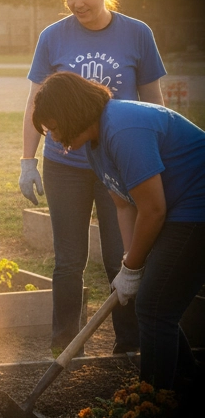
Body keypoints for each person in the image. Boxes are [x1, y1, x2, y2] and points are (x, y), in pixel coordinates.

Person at [20, 0, 166, 356]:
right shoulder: (53, 36)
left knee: (122, 255)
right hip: (65, 164)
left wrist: (156, 158)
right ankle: (65, 346)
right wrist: (27, 161)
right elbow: (36, 102)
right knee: (68, 260)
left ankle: (130, 343)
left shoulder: (137, 34)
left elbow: (154, 103)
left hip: (119, 162)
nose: (78, 3)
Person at [31, 72, 204, 391]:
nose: (53, 138)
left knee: (154, 307)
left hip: (196, 208)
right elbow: (124, 205)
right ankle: (185, 381)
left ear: (71, 113)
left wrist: (133, 267)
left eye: (53, 128)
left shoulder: (123, 128)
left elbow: (153, 209)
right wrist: (131, 261)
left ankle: (150, 401)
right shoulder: (94, 144)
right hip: (179, 209)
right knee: (155, 302)